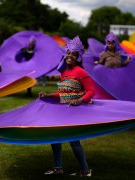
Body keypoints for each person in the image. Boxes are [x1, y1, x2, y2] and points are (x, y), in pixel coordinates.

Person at [39, 36, 94, 177]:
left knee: (73, 141)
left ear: (78, 57)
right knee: (55, 137)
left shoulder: (81, 72)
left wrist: (80, 100)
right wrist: (48, 94)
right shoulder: (63, 73)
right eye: (68, 53)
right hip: (63, 109)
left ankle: (86, 170)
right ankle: (58, 167)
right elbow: (63, 93)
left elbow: (91, 91)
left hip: (75, 111)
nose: (70, 56)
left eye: (73, 54)